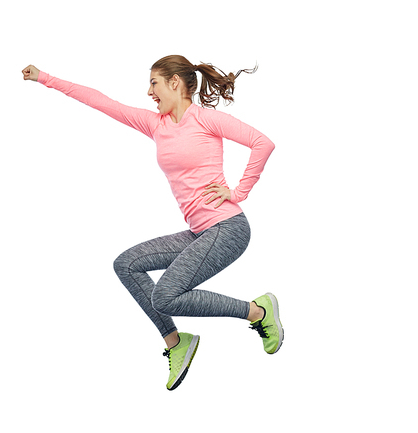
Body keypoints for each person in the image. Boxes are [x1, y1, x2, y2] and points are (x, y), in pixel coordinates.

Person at [22, 55, 283, 391]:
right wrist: (45, 77)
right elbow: (101, 101)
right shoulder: (155, 124)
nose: (149, 92)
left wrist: (238, 192)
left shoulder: (205, 119)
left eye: (154, 83)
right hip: (200, 232)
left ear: (175, 83)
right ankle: (177, 342)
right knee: (127, 265)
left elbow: (263, 143)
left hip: (228, 228)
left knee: (165, 296)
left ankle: (258, 312)